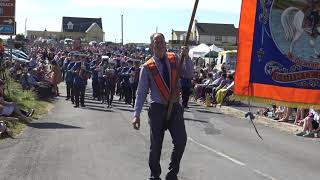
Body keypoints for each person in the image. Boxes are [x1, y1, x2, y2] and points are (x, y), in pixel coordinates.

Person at [132, 33, 189, 180]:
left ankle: (172, 174)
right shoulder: (147, 67)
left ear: (165, 44)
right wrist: (136, 115)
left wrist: (187, 57)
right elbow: (141, 92)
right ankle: (154, 175)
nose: (159, 44)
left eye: (161, 41)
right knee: (156, 145)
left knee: (181, 141)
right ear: (151, 45)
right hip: (157, 108)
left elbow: (188, 73)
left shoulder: (175, 58)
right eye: (156, 42)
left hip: (175, 106)